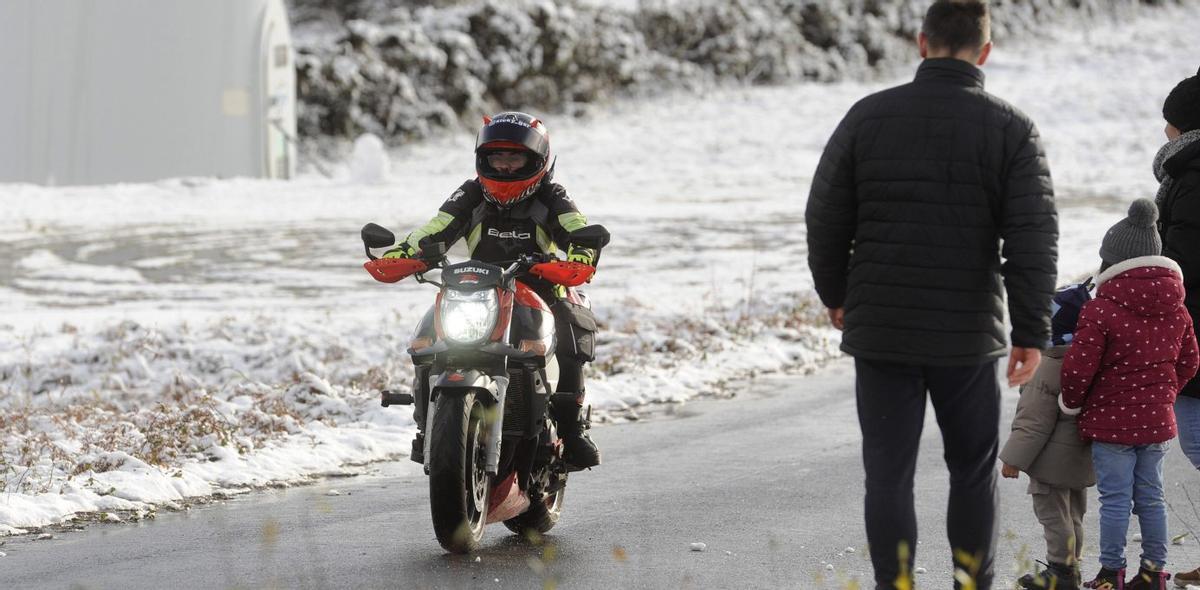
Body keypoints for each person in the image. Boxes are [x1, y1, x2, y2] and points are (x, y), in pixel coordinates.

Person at [804, 1, 1058, 587]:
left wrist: (837, 293)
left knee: (887, 475)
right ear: (985, 51)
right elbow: (1033, 238)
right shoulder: (1011, 128)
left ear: (922, 43)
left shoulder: (867, 117)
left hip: (882, 330)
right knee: (972, 471)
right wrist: (1030, 332)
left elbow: (825, 216)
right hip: (967, 336)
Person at [382, 111, 603, 470]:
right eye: (496, 156)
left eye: (515, 158)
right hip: (480, 288)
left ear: (537, 160)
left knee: (570, 326)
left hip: (540, 288)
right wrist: (405, 252)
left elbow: (576, 228)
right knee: (427, 335)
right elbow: (436, 228)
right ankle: (427, 423)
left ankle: (572, 428)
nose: (504, 166)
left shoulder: (552, 195)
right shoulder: (471, 193)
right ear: (483, 158)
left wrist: (581, 254)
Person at [1059, 199, 1200, 590]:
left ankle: (1111, 573)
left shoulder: (1101, 308)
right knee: (1151, 496)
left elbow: (1078, 369)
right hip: (1156, 422)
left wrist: (1071, 403)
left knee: (1116, 499)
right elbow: (1190, 361)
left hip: (1111, 424)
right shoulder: (1178, 307)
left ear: (1113, 261)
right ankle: (1153, 573)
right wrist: (1165, 394)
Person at [1000, 282, 1095, 590]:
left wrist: (1013, 460)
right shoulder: (1088, 360)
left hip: (1049, 460)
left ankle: (1061, 571)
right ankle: (1072, 567)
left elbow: (1033, 421)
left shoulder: (1048, 366)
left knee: (1053, 516)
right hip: (1080, 456)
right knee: (1074, 514)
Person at [1156, 66, 1200, 589]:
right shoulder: (1186, 175)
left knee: (1198, 440)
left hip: (1194, 328)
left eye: (1169, 121)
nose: (1163, 130)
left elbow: (1183, 260)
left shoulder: (1191, 179)